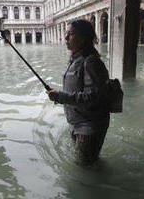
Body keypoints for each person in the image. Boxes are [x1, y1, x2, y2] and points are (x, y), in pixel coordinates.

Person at [47, 19, 110, 165]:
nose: (66, 37)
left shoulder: (91, 62)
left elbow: (94, 96)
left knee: (85, 167)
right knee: (86, 163)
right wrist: (59, 95)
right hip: (76, 122)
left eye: (71, 34)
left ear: (83, 37)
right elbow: (76, 90)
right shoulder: (74, 59)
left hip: (89, 125)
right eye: (66, 34)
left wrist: (60, 96)